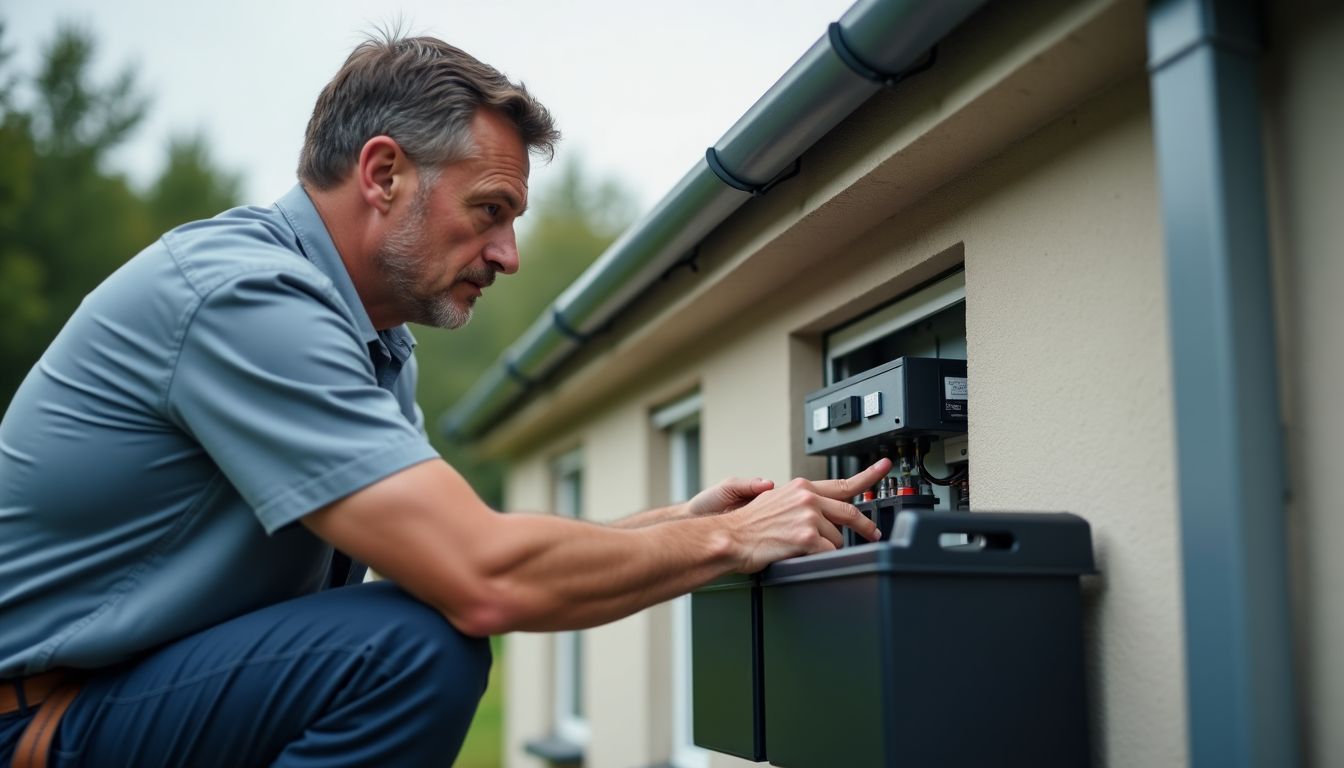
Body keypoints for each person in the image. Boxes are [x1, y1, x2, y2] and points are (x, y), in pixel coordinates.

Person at [0, 33, 888, 767]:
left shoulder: (373, 342)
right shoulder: (245, 301)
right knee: (411, 652)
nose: (507, 254)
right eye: (491, 210)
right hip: (38, 721)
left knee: (408, 625)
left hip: (128, 701)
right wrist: (728, 541)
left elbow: (443, 554)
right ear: (383, 174)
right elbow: (481, 578)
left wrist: (675, 522)